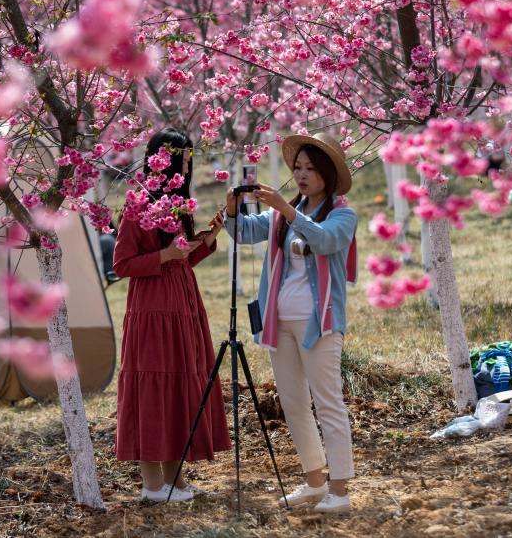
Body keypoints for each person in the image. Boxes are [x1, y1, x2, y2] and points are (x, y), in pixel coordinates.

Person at [223, 133, 358, 514]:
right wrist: (232, 210)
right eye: (297, 167)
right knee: (294, 403)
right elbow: (244, 234)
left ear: (327, 175)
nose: (301, 175)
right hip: (278, 321)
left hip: (319, 322)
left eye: (310, 169)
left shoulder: (342, 214)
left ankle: (340, 490)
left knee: (327, 403)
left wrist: (287, 210)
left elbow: (327, 241)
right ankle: (315, 482)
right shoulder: (283, 215)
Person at [113, 128, 231, 503]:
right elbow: (122, 263)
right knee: (153, 387)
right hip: (152, 308)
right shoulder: (138, 203)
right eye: (178, 155)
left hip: (181, 303)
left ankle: (175, 481)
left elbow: (182, 258)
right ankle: (152, 486)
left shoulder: (178, 200)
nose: (184, 162)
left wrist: (207, 239)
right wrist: (164, 256)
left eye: (186, 156)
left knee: (179, 385)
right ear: (157, 158)